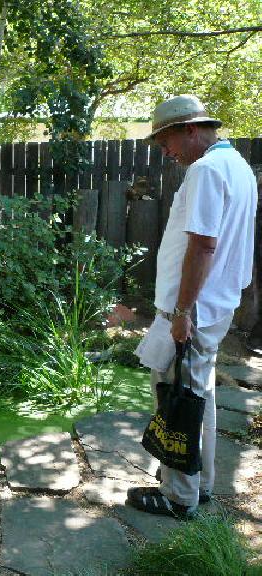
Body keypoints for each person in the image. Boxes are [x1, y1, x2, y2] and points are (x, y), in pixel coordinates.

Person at [127, 94, 257, 519]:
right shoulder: (238, 167)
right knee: (199, 395)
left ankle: (178, 495)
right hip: (216, 303)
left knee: (177, 397)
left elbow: (202, 245)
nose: (165, 152)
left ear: (190, 129)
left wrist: (181, 312)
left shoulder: (205, 170)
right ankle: (198, 483)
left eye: (166, 142)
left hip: (192, 310)